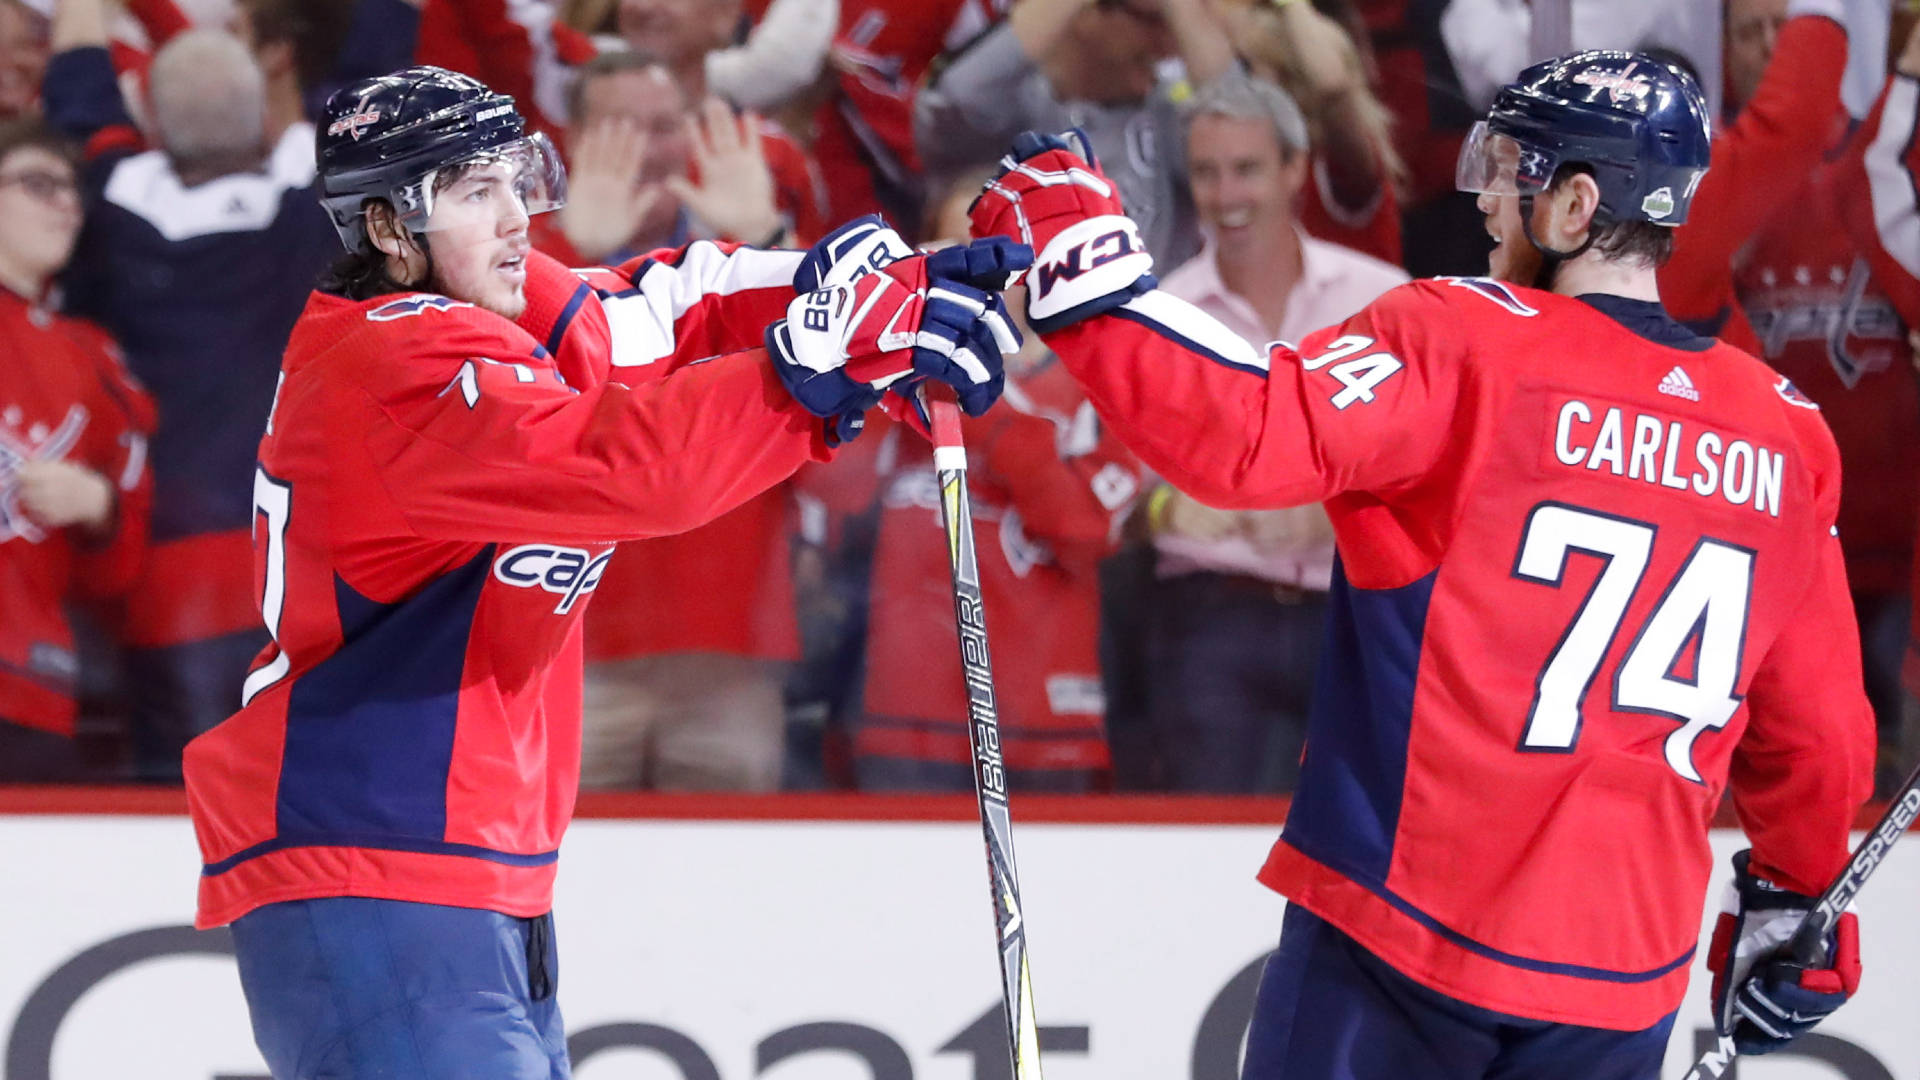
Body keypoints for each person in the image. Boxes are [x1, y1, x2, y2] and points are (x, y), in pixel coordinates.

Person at [965, 49, 1874, 1077]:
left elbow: (1244, 435)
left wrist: (1088, 285)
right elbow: (1820, 729)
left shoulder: (1464, 341)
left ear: (1575, 205)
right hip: (1621, 979)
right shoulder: (1786, 433)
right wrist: (1797, 893)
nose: (1487, 195)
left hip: (1406, 938)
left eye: (1512, 171)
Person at [183, 66, 1019, 1076]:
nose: (514, 219)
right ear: (389, 232)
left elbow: (657, 315)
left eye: (516, 178)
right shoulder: (396, 368)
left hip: (462, 868)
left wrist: (882, 292)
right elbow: (631, 464)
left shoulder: (484, 304)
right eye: (471, 191)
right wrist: (825, 360)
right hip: (375, 861)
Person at [44, 0, 348, 778]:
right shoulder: (313, 216)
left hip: (157, 567)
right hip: (294, 563)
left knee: (174, 804)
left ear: (152, 116)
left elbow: (80, 86)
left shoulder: (107, 201)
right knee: (291, 796)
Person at [1145, 74, 1405, 792]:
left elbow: (1430, 466)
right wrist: (1169, 506)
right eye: (1206, 173)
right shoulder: (1162, 314)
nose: (1227, 196)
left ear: (1295, 169)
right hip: (1210, 616)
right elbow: (1118, 482)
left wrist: (1332, 517)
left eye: (1247, 169)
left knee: (1363, 848)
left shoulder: (1383, 300)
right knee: (1200, 846)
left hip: (1353, 614)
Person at [0, 117, 153, 781]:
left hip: (29, 687)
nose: (66, 203)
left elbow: (115, 572)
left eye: (71, 190)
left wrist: (99, 507)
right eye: (38, 184)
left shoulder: (93, 359)